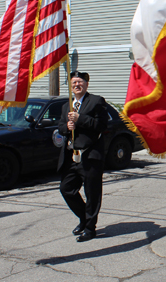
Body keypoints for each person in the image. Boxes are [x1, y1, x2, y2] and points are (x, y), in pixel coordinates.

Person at [58, 71, 109, 242]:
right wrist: (67, 126)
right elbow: (60, 127)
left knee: (92, 193)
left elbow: (101, 125)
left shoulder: (96, 101)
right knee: (66, 188)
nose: (77, 85)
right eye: (74, 83)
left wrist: (80, 119)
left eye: (80, 82)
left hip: (90, 156)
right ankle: (84, 218)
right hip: (72, 156)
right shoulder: (67, 105)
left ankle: (90, 228)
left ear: (86, 84)